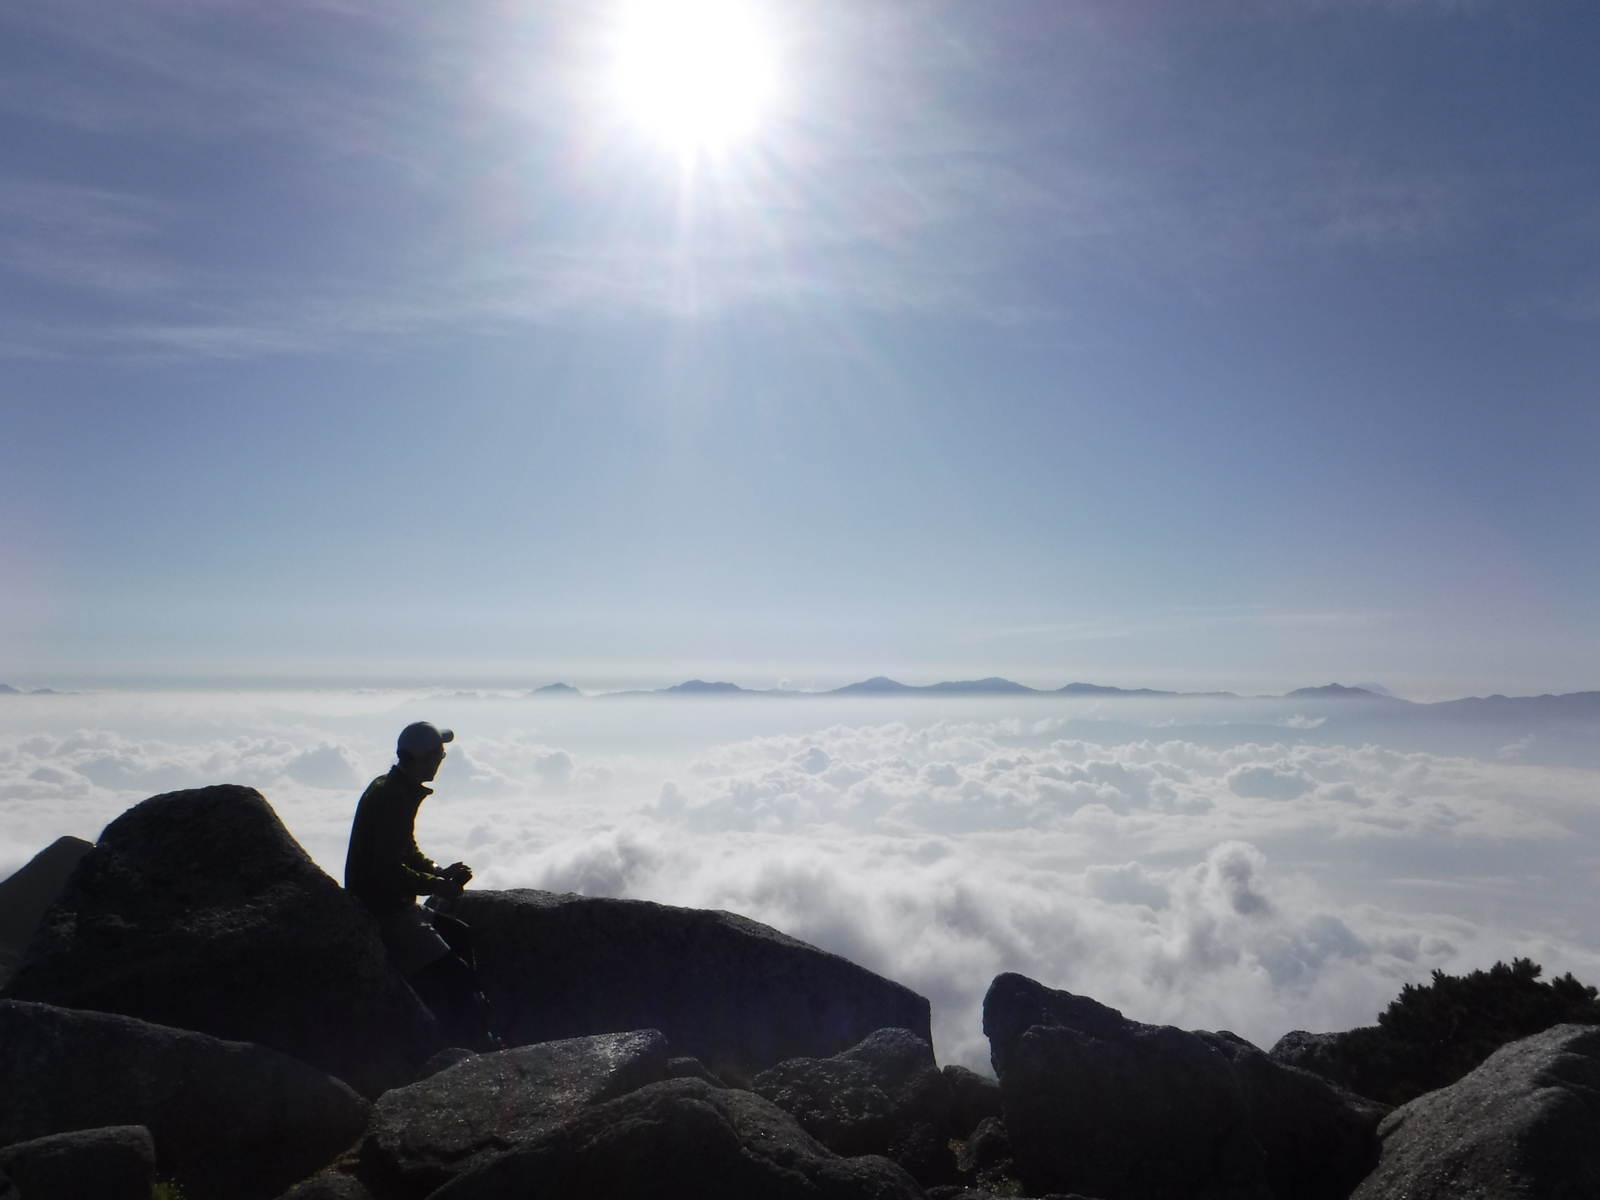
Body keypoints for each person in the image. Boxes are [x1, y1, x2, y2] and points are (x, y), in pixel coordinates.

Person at [345, 720, 494, 1051]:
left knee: (460, 934)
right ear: (423, 758)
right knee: (455, 974)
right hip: (385, 910)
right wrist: (437, 887)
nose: (442, 759)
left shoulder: (393, 787)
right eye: (439, 753)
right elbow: (386, 869)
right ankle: (473, 1045)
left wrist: (438, 872)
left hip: (390, 902)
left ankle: (473, 1031)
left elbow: (406, 850)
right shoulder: (394, 798)